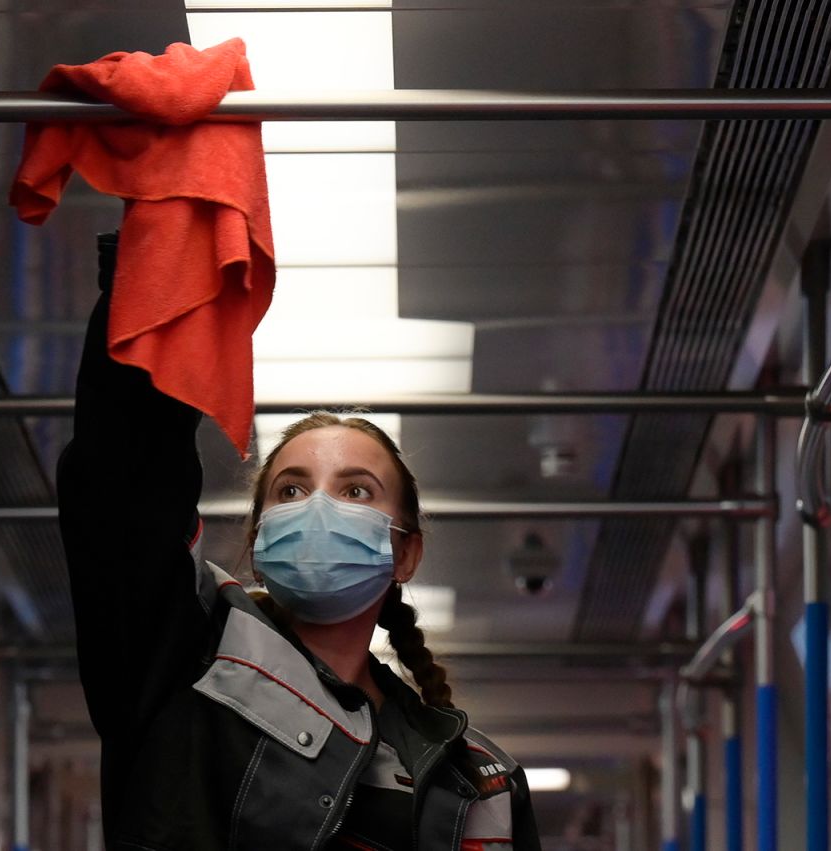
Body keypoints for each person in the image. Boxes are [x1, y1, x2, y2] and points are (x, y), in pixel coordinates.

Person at [58, 233, 542, 850]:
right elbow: (123, 490)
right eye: (290, 490)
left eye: (357, 491)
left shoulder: (478, 780)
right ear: (259, 539)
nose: (317, 508)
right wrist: (155, 270)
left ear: (405, 552)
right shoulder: (183, 659)